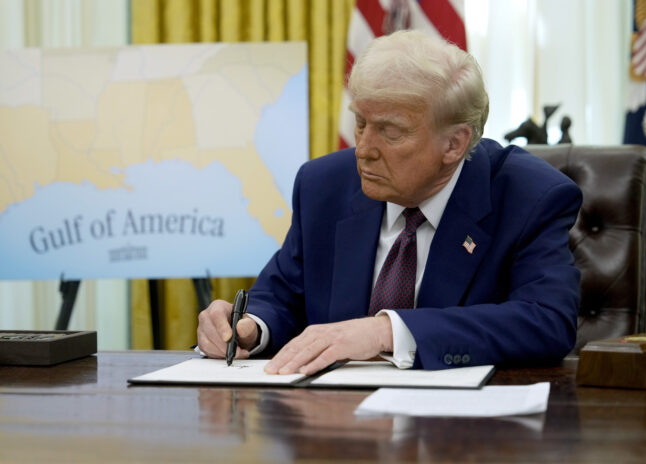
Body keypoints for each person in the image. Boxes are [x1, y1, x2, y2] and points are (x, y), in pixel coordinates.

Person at [197, 30, 582, 375]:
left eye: (390, 132)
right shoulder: (323, 186)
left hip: (461, 437)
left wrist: (387, 331)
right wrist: (249, 327)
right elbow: (280, 295)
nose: (363, 150)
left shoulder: (530, 196)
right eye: (361, 123)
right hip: (334, 429)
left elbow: (546, 321)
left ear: (454, 143)